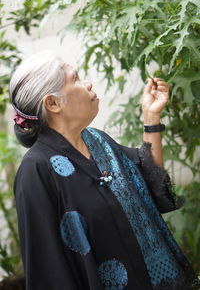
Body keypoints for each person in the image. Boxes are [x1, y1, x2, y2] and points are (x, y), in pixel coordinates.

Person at [9, 51, 199, 290]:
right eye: (76, 79)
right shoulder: (36, 171)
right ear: (53, 103)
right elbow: (48, 269)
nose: (87, 83)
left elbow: (151, 186)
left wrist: (151, 117)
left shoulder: (98, 141)